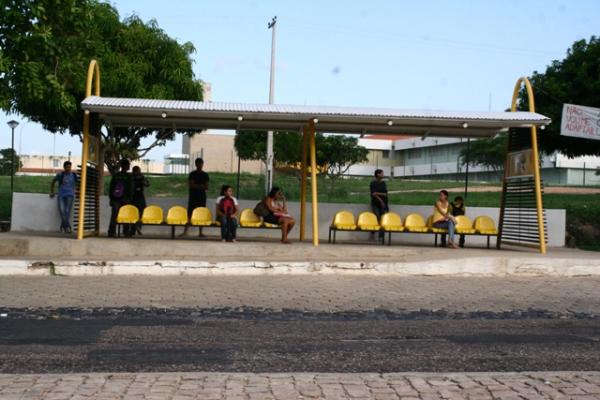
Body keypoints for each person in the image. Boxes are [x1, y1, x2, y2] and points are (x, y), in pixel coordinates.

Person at [181, 158, 210, 237]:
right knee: (190, 214)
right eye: (198, 163)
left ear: (202, 164)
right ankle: (185, 232)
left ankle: (200, 232)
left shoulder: (205, 175)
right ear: (196, 164)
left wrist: (196, 186)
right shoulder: (192, 174)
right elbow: (191, 185)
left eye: (201, 163)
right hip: (193, 197)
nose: (200, 165)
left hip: (202, 197)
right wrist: (201, 186)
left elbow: (206, 187)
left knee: (201, 214)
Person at [49, 161, 79, 233]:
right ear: (64, 167)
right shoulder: (60, 175)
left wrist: (78, 192)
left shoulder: (74, 175)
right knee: (62, 210)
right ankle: (67, 226)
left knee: (67, 211)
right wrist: (52, 191)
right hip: (61, 195)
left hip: (70, 195)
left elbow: (78, 184)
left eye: (70, 167)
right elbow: (53, 182)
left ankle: (63, 227)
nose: (69, 168)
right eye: (67, 167)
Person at [108, 159, 133, 238]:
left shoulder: (116, 175)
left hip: (116, 199)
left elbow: (111, 188)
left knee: (114, 216)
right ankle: (126, 232)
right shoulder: (129, 177)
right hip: (126, 199)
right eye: (128, 165)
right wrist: (130, 199)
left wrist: (111, 199)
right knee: (126, 216)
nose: (129, 166)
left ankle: (112, 232)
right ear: (126, 166)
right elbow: (131, 189)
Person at [370, 169, 388, 240]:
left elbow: (385, 194)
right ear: (378, 174)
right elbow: (373, 194)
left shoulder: (383, 183)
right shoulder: (373, 183)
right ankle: (373, 232)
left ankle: (381, 236)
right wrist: (381, 201)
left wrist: (377, 193)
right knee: (376, 217)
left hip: (384, 204)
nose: (383, 175)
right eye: (382, 173)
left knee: (383, 219)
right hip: (375, 203)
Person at [132, 166, 149, 235]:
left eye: (138, 171)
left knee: (142, 213)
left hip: (140, 197)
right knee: (133, 214)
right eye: (136, 171)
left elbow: (147, 184)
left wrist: (142, 179)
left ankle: (138, 227)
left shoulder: (142, 177)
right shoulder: (131, 177)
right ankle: (134, 229)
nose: (137, 172)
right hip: (133, 197)